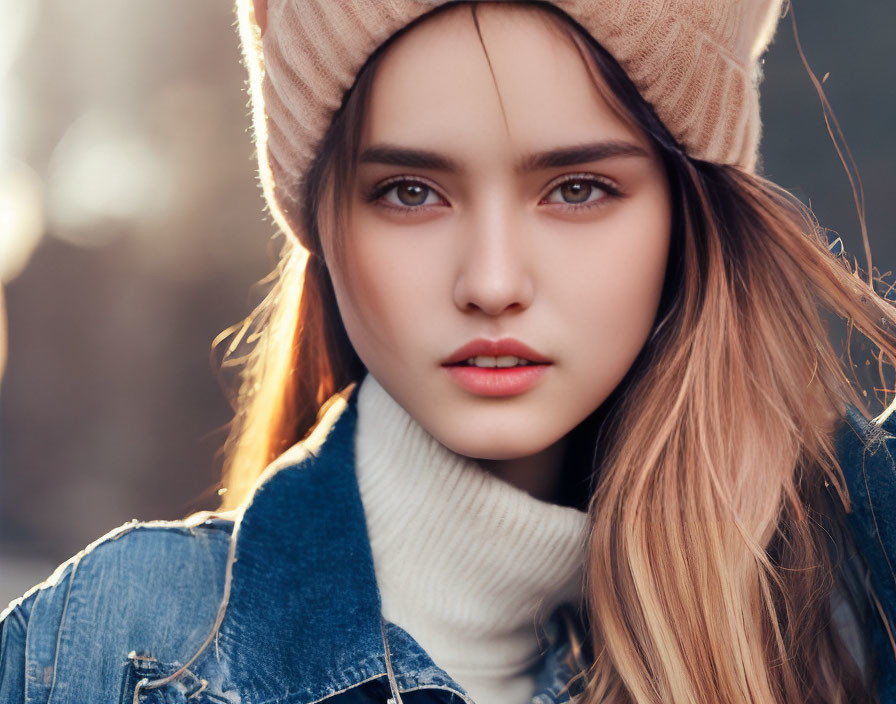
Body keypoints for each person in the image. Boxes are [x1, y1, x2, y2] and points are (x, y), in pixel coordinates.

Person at [2, 1, 895, 702]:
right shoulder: (110, 648)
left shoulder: (847, 612)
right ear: (324, 224)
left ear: (686, 217)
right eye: (411, 192)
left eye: (578, 188)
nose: (493, 280)